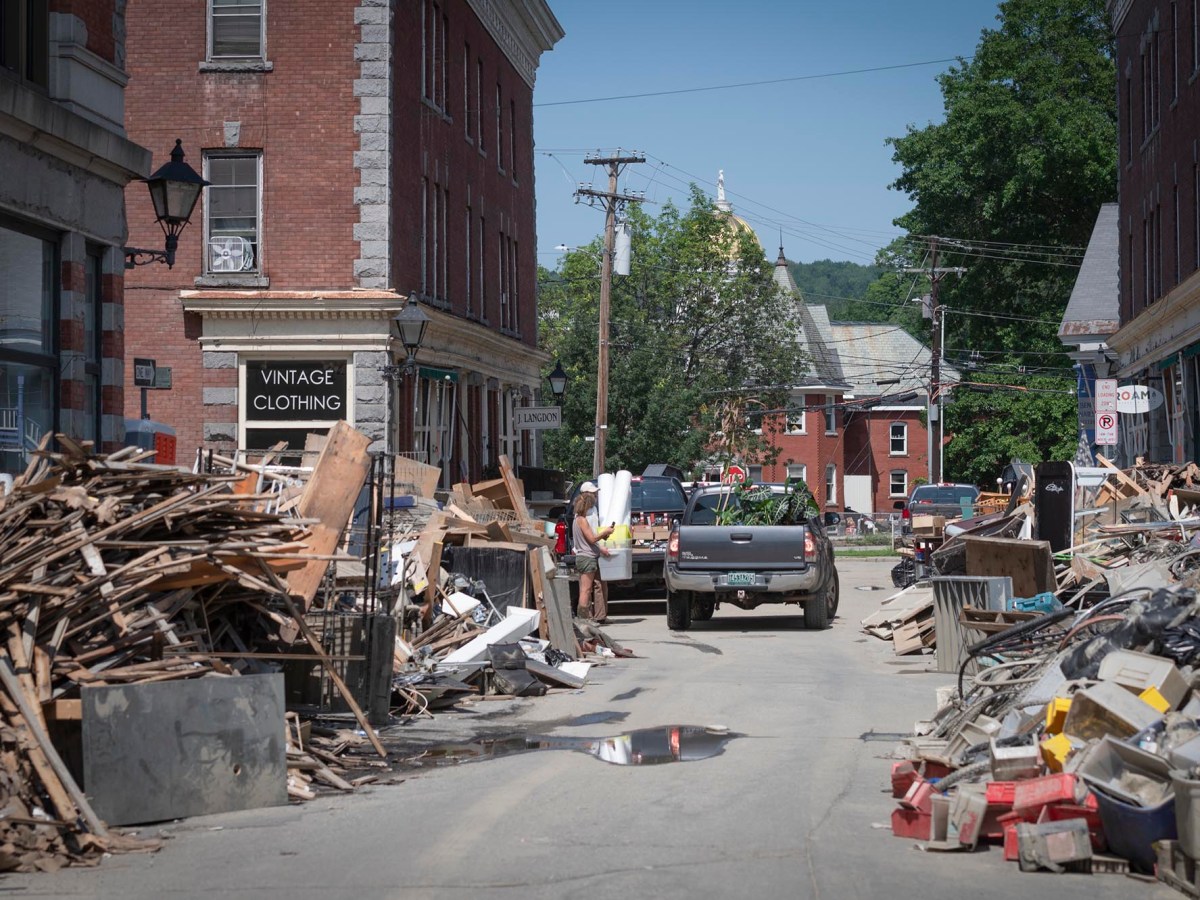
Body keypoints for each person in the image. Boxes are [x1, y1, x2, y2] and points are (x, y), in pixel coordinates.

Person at [573, 481, 614, 622]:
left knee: (587, 589)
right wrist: (605, 533)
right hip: (587, 557)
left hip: (587, 556)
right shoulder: (582, 520)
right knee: (585, 590)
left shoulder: (578, 519)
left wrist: (603, 535)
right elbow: (592, 538)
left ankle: (589, 618)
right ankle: (583, 620)